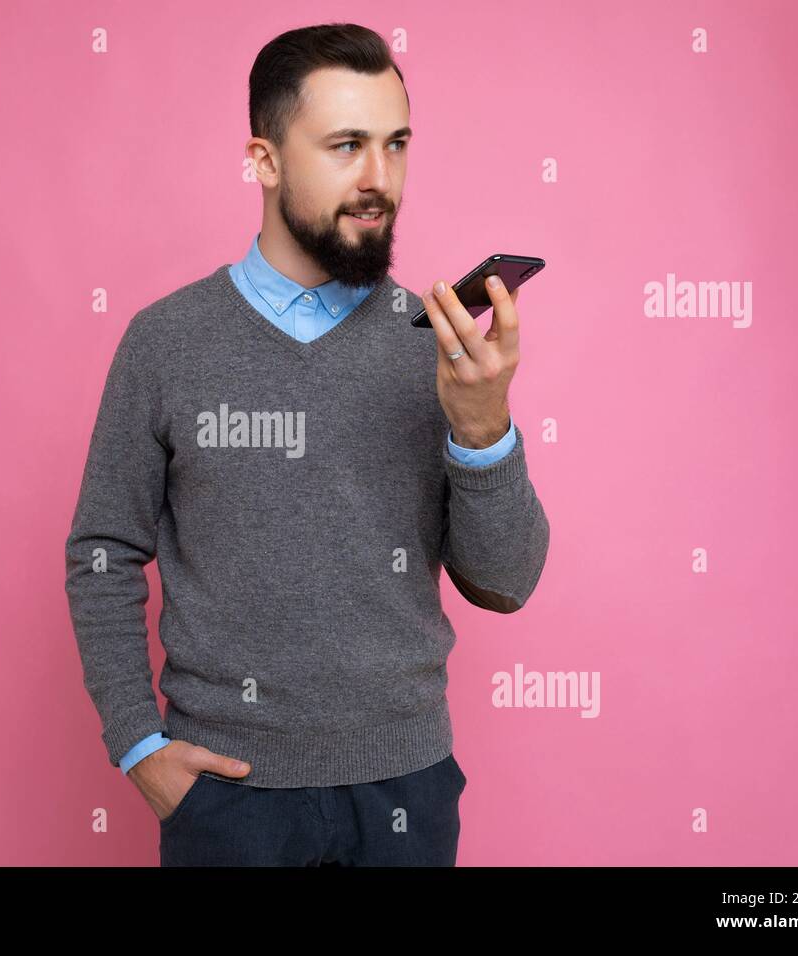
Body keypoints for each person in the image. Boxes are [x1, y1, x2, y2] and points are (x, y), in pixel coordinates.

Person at [63, 22, 550, 866]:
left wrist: (484, 428)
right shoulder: (167, 342)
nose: (379, 180)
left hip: (407, 791)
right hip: (229, 801)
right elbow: (103, 551)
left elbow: (507, 584)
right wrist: (139, 747)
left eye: (396, 145)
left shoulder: (435, 346)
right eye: (346, 146)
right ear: (264, 160)